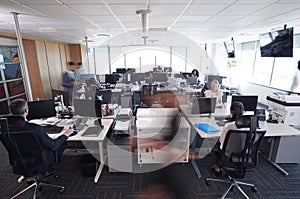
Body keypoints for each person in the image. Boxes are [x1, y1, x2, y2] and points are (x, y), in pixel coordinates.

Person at [8, 99, 72, 173]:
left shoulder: (5, 128)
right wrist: (65, 134)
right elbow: (53, 146)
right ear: (26, 110)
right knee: (63, 143)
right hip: (40, 160)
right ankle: (47, 167)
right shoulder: (35, 128)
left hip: (18, 160)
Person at [212, 101, 245, 175]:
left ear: (231, 111)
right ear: (243, 111)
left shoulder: (228, 125)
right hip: (244, 152)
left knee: (216, 144)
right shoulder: (251, 125)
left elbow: (221, 141)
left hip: (228, 154)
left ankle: (218, 168)